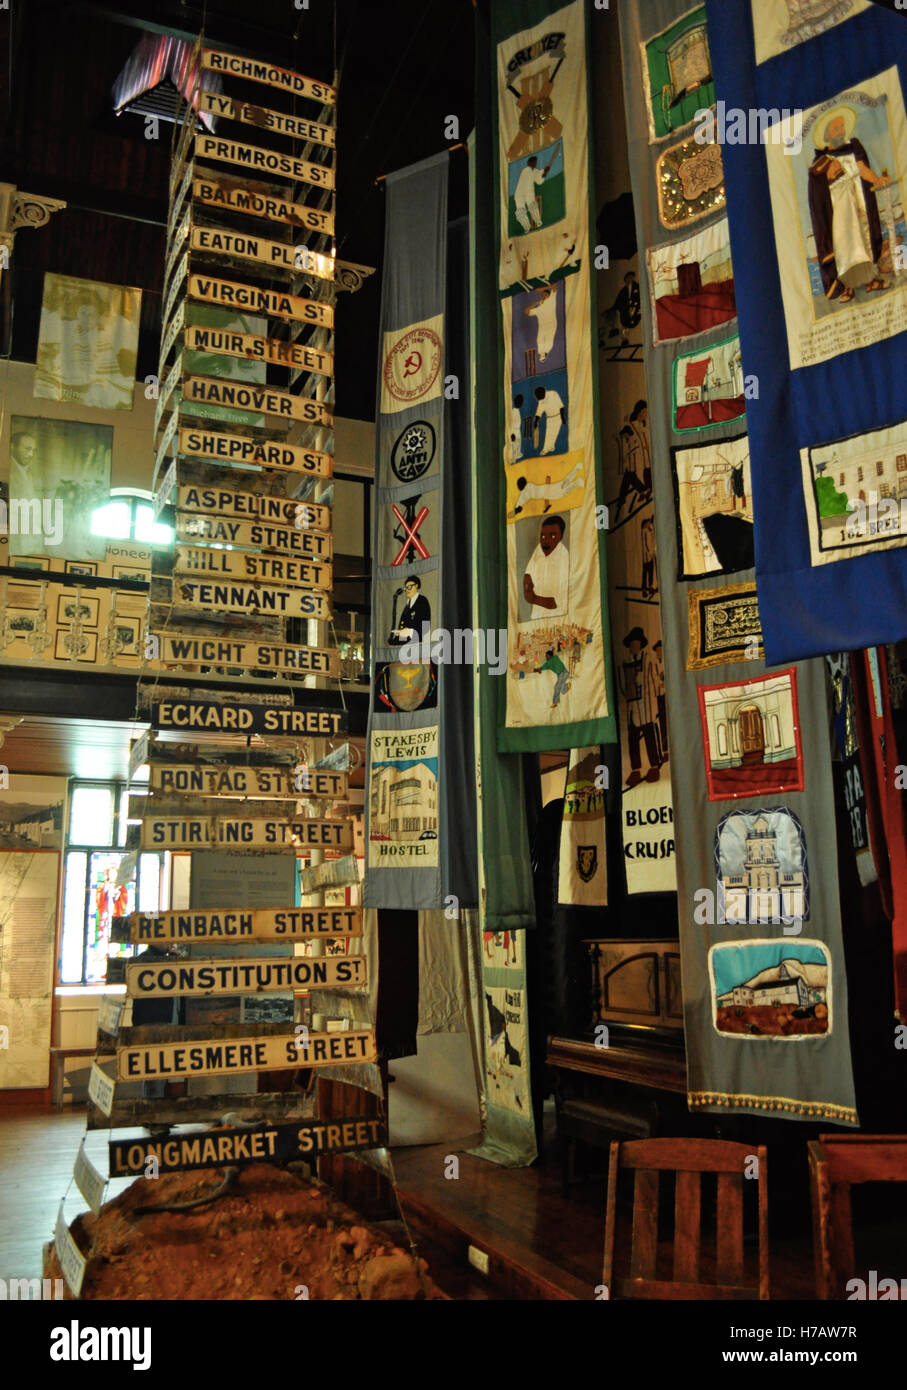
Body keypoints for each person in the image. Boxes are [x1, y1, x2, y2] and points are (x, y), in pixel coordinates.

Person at [807, 108, 890, 303]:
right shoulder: (821, 161)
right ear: (827, 133)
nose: (841, 130)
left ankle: (871, 279)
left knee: (867, 240)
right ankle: (848, 286)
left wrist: (877, 180)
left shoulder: (854, 146)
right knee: (845, 246)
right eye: (836, 128)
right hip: (839, 210)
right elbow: (818, 192)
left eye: (842, 126)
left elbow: (862, 169)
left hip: (860, 201)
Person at [620, 627, 661, 786]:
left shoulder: (648, 658)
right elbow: (623, 682)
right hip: (632, 704)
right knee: (633, 737)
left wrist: (655, 695)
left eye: (636, 643)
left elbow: (654, 679)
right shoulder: (626, 661)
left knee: (650, 734)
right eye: (632, 644)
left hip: (646, 703)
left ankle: (654, 765)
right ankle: (635, 769)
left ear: (640, 644)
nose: (634, 646)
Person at [523, 515, 569, 618]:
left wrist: (533, 598)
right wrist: (527, 586)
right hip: (536, 617)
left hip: (557, 619)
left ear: (561, 536)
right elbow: (528, 572)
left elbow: (556, 603)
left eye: (552, 536)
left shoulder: (564, 558)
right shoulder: (539, 549)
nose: (546, 541)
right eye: (543, 536)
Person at [511, 460, 584, 516]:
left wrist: (516, 509)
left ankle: (577, 481)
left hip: (548, 493)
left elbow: (519, 503)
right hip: (547, 488)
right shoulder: (529, 485)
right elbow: (520, 503)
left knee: (562, 491)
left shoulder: (525, 492)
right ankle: (576, 469)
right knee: (563, 483)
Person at [513, 153, 555, 233]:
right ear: (529, 163)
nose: (535, 164)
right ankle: (526, 227)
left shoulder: (533, 171)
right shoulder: (526, 170)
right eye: (533, 162)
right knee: (521, 211)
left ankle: (538, 222)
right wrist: (544, 172)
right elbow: (529, 184)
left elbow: (539, 180)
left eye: (535, 162)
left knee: (532, 205)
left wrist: (544, 173)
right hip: (520, 193)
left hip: (527, 192)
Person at [391, 575, 431, 644]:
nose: (406, 590)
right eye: (405, 588)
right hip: (405, 643)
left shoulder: (422, 601)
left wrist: (410, 631)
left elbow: (425, 626)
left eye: (409, 587)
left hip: (417, 643)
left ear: (416, 586)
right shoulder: (408, 604)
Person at [523, 286, 558, 362]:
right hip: (542, 326)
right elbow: (526, 311)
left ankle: (545, 353)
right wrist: (535, 303)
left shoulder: (551, 300)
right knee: (539, 340)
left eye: (545, 295)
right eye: (542, 295)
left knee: (549, 339)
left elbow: (554, 286)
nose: (543, 296)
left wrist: (541, 289)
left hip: (551, 324)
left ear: (549, 296)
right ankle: (542, 354)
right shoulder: (539, 308)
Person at [532, 384, 567, 455]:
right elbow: (539, 412)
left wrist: (563, 418)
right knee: (548, 434)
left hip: (558, 417)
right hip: (549, 418)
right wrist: (536, 421)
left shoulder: (553, 394)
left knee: (554, 433)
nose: (540, 400)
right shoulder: (541, 400)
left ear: (544, 392)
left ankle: (551, 446)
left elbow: (561, 406)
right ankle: (545, 449)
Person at [640, 515, 657, 598]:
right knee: (646, 572)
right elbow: (646, 544)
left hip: (650, 554)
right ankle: (644, 589)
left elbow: (652, 541)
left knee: (650, 571)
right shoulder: (645, 531)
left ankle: (650, 587)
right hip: (647, 555)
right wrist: (650, 552)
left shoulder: (650, 530)